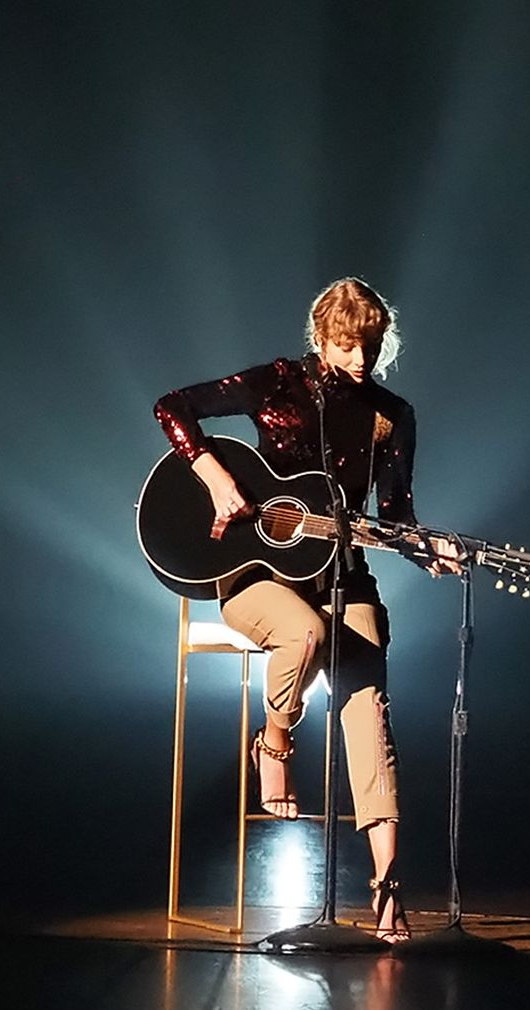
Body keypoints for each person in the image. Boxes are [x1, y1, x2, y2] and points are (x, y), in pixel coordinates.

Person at [153, 277, 460, 942]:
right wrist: (214, 474)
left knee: (370, 715)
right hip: (254, 574)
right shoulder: (280, 383)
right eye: (348, 346)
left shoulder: (391, 414)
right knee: (303, 632)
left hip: (340, 573)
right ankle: (276, 740)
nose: (360, 360)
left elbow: (395, 515)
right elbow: (173, 405)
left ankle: (386, 891)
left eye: (370, 347)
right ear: (321, 339)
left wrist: (424, 547)